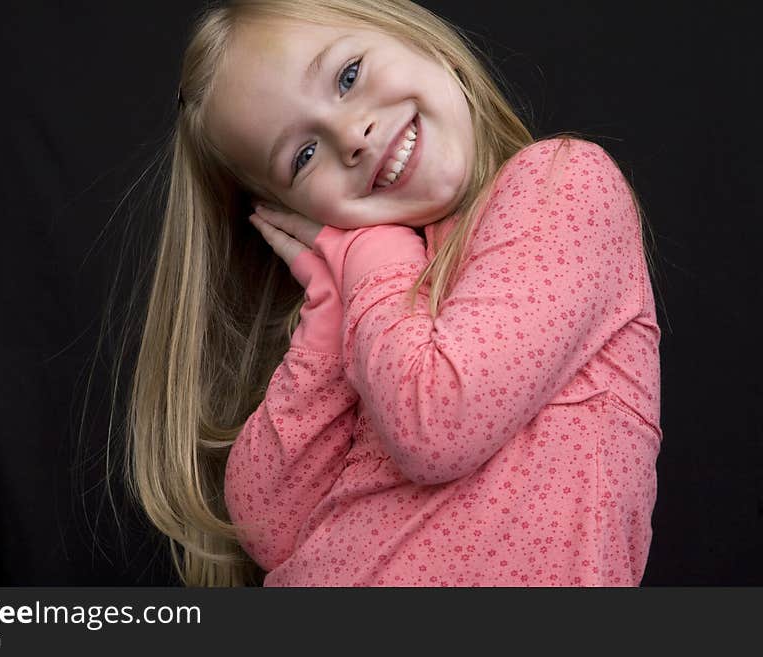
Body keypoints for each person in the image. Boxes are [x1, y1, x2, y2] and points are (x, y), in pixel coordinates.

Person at [122, 0, 662, 586]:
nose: (352, 136)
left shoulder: (563, 185)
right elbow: (269, 527)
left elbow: (438, 423)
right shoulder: (374, 307)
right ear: (295, 212)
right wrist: (329, 309)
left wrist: (374, 258)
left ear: (419, 38)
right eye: (303, 156)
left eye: (348, 76)